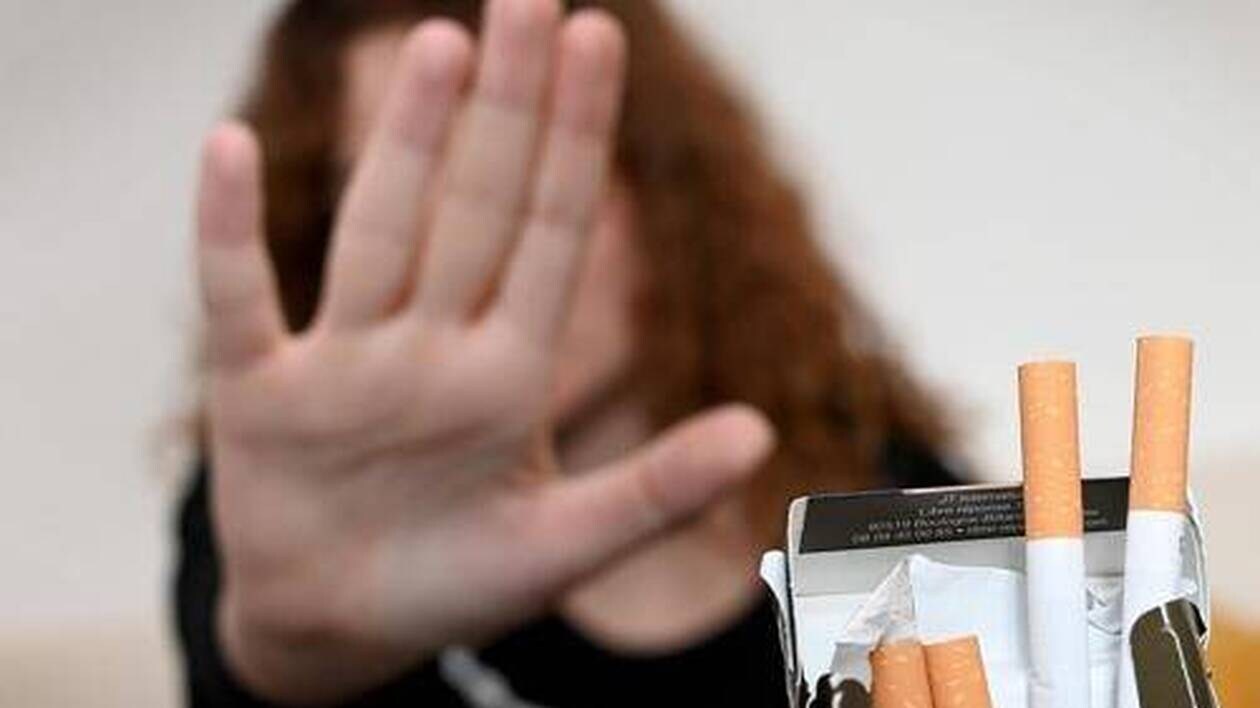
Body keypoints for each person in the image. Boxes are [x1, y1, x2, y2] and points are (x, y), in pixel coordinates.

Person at [175, 0, 958, 705]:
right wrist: (294, 660)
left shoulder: (893, 507)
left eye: (520, 168)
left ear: (663, 188)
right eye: (403, 192)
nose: (471, 251)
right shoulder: (286, 527)